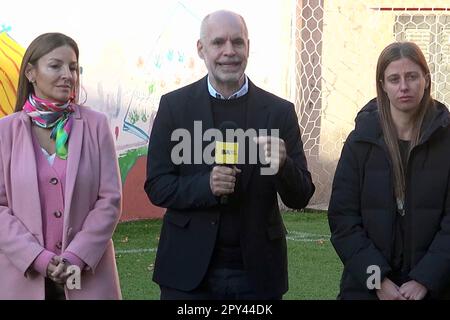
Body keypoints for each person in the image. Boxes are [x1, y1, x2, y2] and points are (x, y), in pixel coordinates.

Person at [145, 10, 315, 300]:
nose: (229, 51)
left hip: (257, 273)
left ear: (248, 46)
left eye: (237, 42)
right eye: (218, 42)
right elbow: (157, 186)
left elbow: (300, 196)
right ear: (201, 49)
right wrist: (206, 185)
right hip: (187, 270)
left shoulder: (279, 112)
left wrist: (283, 166)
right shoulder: (174, 107)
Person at [0, 33, 122, 299]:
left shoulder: (96, 126)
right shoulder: (4, 131)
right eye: (56, 66)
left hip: (87, 276)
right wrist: (38, 258)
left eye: (73, 67)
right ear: (31, 73)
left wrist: (75, 256)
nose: (68, 74)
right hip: (23, 278)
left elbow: (109, 200)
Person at [328, 41, 450, 300]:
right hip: (366, 289)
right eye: (394, 79)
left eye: (412, 77)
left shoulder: (446, 141)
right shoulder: (360, 141)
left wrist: (424, 280)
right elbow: (343, 220)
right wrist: (377, 280)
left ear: (426, 80)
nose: (403, 86)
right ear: (382, 85)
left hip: (434, 289)